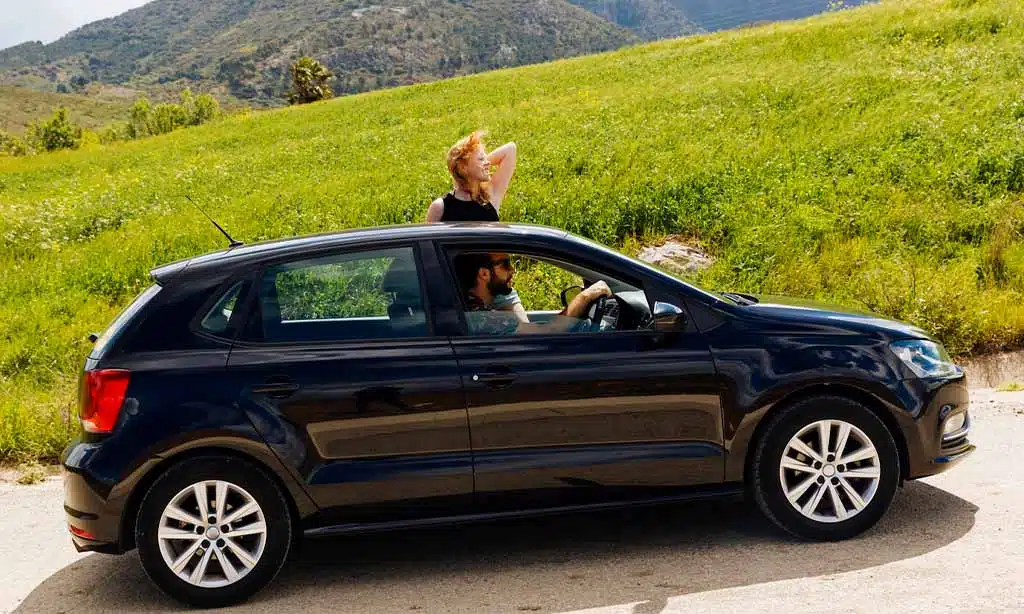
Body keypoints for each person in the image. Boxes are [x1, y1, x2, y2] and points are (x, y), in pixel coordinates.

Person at [428, 131, 528, 322]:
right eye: (481, 158)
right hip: (463, 297)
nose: (488, 162)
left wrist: (475, 171)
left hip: (499, 288)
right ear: (463, 167)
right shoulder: (440, 207)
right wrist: (463, 174)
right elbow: (431, 257)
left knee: (528, 335)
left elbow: (510, 150)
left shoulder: (490, 196)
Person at [455, 252, 612, 336]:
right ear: (484, 274)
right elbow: (549, 333)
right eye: (505, 264)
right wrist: (585, 296)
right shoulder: (485, 320)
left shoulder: (465, 310)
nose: (512, 270)